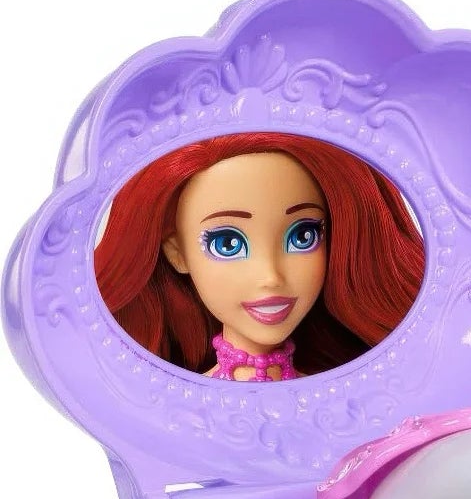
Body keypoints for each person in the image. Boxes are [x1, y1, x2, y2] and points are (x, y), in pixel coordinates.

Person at [94, 130, 423, 381]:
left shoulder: (352, 398)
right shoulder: (177, 411)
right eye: (227, 243)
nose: (270, 276)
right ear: (177, 253)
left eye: (303, 236)